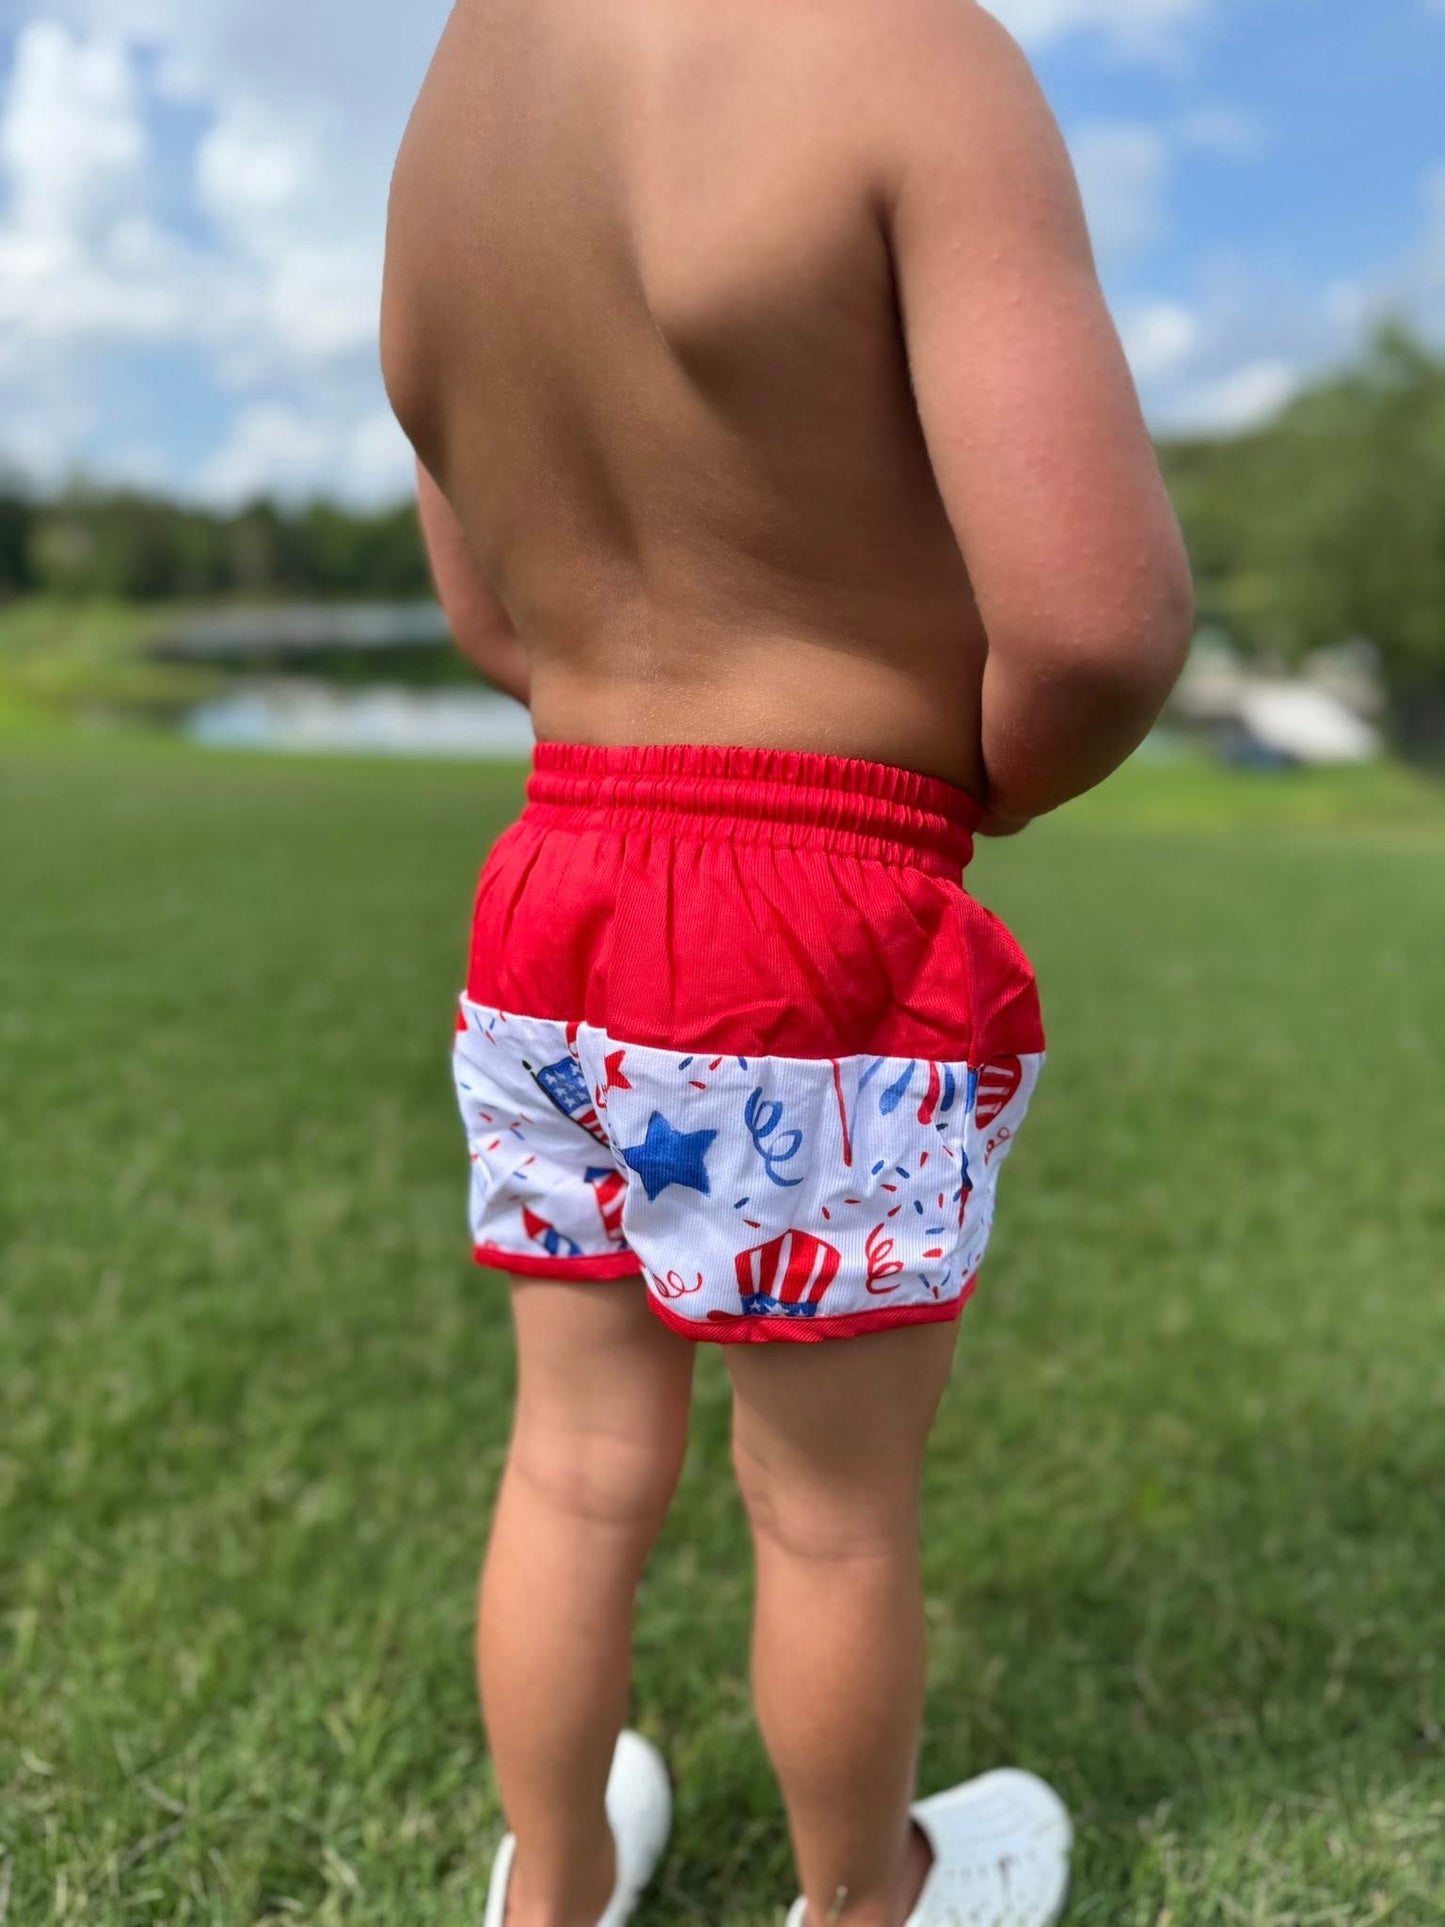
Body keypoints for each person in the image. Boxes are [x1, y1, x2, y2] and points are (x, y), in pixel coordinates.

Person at [381, 1, 1192, 1922]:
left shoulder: (454, 106)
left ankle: (555, 1887)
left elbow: (489, 611)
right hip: (815, 903)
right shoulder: (910, 53)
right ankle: (861, 1899)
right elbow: (1094, 625)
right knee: (826, 1514)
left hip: (556, 883)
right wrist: (955, 796)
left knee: (572, 1462)